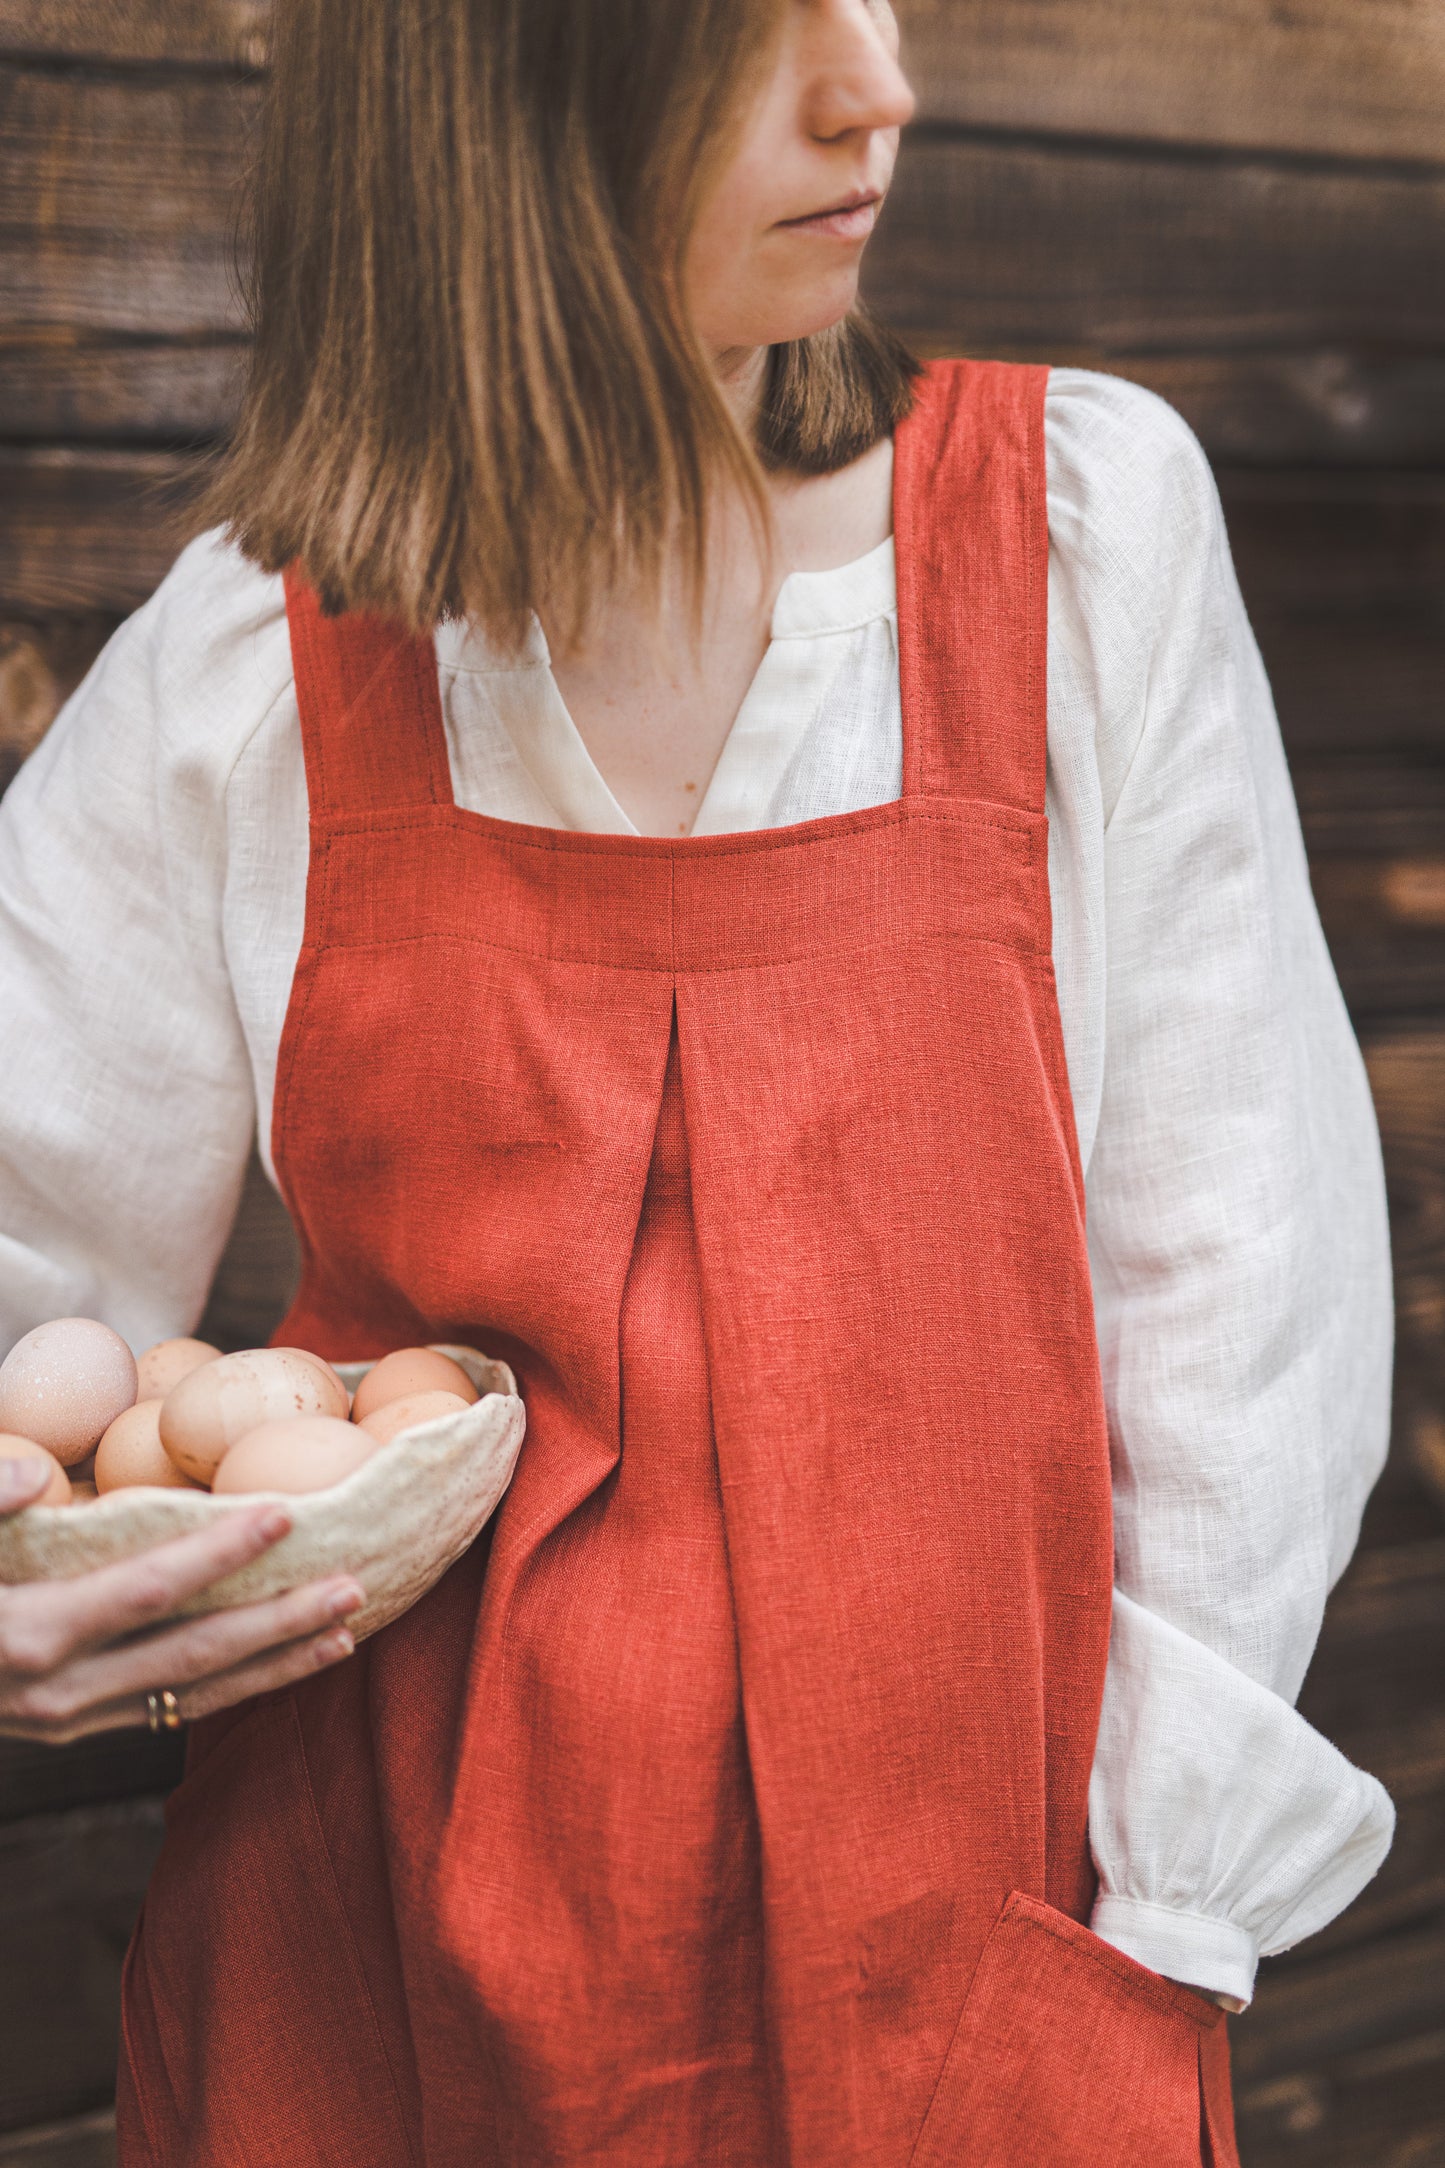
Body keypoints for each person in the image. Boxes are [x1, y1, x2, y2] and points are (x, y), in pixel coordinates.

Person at [0, 0, 1395, 2161]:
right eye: (753, 30)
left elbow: (1245, 1319)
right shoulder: (260, 664)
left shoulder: (1075, 546)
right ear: (491, 85)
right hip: (363, 2004)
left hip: (985, 1990)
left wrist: (1145, 1929)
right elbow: (26, 1268)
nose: (877, 88)